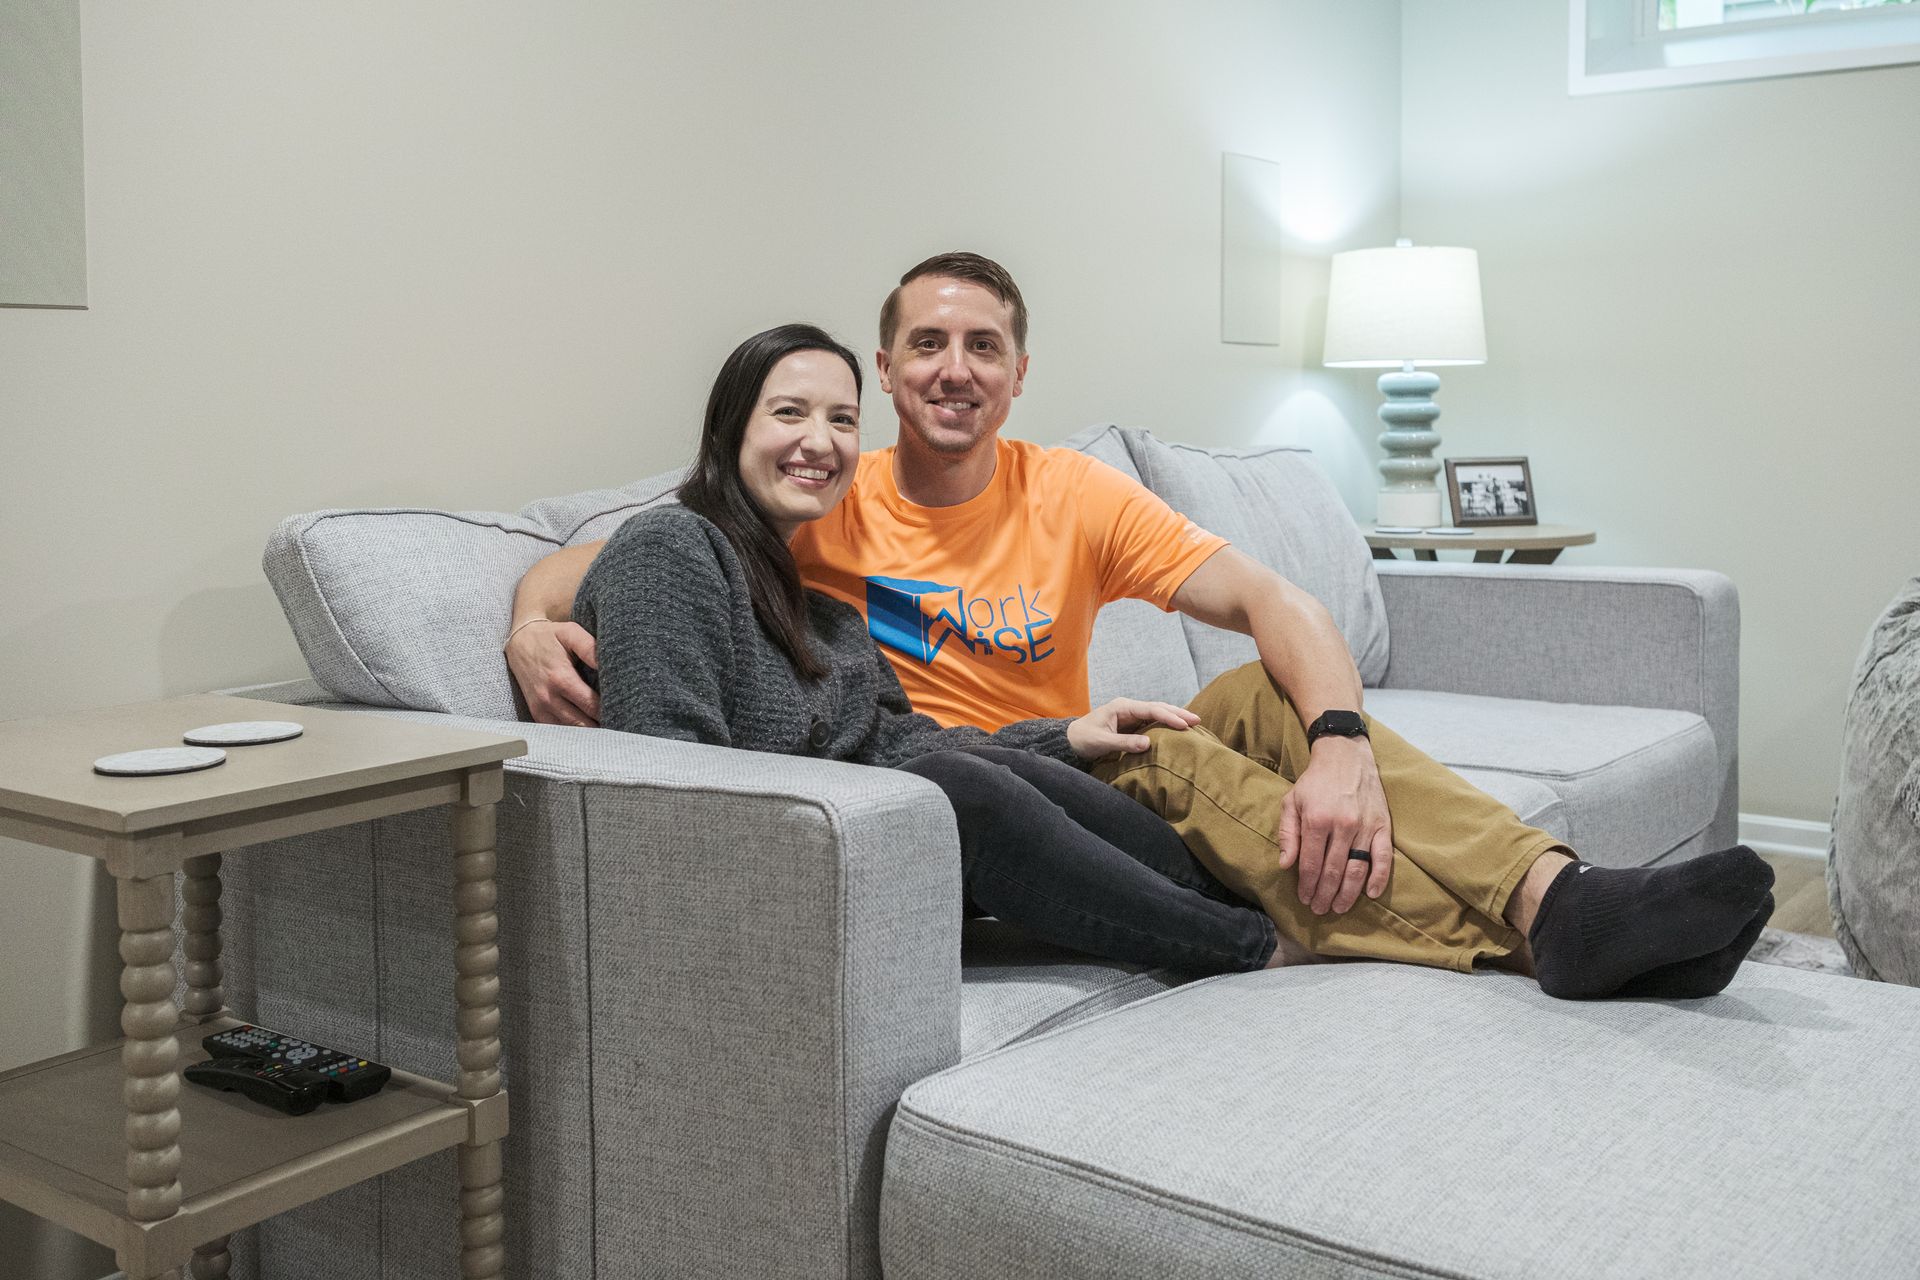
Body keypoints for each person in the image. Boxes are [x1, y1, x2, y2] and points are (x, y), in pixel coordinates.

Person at [511, 254, 1774, 1000]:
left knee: (1259, 697)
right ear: (890, 373)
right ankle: (1532, 938)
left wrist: (1338, 739)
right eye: (926, 347)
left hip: (1053, 752)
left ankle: (1556, 891)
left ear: (1017, 372)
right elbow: (618, 557)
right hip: (982, 796)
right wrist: (527, 618)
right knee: (1165, 747)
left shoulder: (1063, 488)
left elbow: (1280, 604)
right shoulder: (815, 509)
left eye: (985, 346)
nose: (955, 368)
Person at [577, 321, 1294, 976]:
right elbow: (665, 780)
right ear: (731, 428)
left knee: (997, 766)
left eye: (843, 420)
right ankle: (1251, 947)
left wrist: (1066, 736)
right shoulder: (671, 549)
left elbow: (905, 743)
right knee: (961, 788)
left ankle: (1264, 907)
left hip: (875, 843)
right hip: (772, 871)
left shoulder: (826, 617)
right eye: (789, 413)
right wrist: (530, 627)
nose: (820, 441)